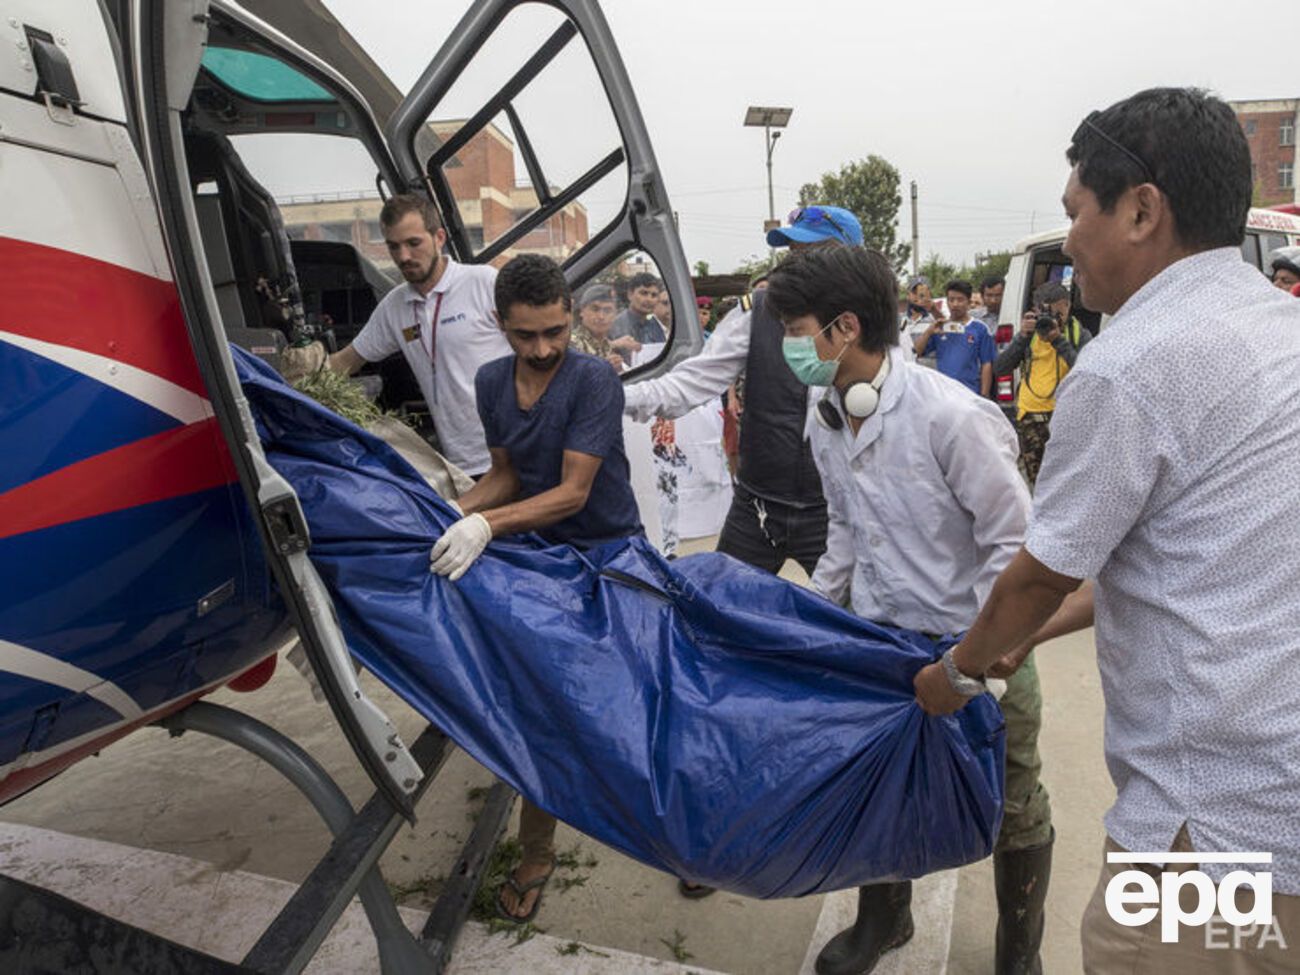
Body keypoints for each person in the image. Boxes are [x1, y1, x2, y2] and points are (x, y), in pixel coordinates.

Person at [914, 87, 1300, 974]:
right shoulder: (1282, 329)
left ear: (1140, 210)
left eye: (1075, 211)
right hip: (1279, 807)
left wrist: (957, 672)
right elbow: (1187, 561)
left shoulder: (1129, 362)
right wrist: (1025, 636)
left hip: (1213, 831)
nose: (1068, 246)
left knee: (1131, 953)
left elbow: (1040, 575)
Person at [767, 246, 1052, 975]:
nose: (786, 346)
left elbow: (1013, 543)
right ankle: (885, 920)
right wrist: (813, 611)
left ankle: (1020, 951)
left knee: (1013, 800)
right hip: (882, 643)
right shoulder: (825, 413)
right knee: (882, 790)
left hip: (975, 644)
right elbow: (843, 526)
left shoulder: (952, 417)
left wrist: (980, 659)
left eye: (795, 330)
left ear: (844, 328)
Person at [429, 254, 642, 922]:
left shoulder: (593, 380)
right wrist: (450, 512)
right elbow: (506, 476)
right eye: (527, 335)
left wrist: (484, 525)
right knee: (542, 704)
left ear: (570, 315)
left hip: (607, 553)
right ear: (501, 324)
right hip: (541, 554)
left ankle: (676, 834)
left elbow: (574, 492)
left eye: (555, 331)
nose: (544, 348)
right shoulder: (492, 381)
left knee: (632, 703)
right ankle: (538, 850)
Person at [624, 205, 863, 577]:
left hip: (835, 512)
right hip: (758, 506)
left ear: (850, 260)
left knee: (856, 607)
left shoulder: (871, 325)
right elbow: (692, 381)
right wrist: (620, 396)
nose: (798, 263)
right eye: (794, 252)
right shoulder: (758, 313)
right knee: (722, 599)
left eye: (812, 253)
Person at [327, 194, 507, 477]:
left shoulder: (484, 282)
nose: (403, 257)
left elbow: (536, 345)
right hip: (461, 466)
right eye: (393, 246)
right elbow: (344, 362)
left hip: (514, 451)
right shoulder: (395, 306)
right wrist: (282, 382)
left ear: (439, 237)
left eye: (413, 243)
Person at [993, 281, 1092, 488]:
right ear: (1036, 310)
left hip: (1065, 415)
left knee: (1067, 482)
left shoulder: (1078, 334)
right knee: (1038, 485)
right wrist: (1021, 338)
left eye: (1058, 314)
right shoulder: (1029, 335)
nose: (1052, 320)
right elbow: (1000, 368)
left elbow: (1085, 372)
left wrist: (1058, 341)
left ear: (1067, 306)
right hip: (1031, 418)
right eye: (1045, 313)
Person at [912, 279, 996, 396]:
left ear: (968, 301)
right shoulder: (939, 327)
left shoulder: (980, 329)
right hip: (944, 395)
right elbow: (916, 352)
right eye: (951, 300)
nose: (955, 304)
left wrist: (984, 395)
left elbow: (986, 364)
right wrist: (928, 332)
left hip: (970, 393)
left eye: (960, 300)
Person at [569, 283, 639, 371]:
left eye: (607, 310)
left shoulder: (607, 346)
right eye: (595, 309)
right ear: (582, 311)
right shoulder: (571, 344)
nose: (601, 316)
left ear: (615, 315)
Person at [611, 272, 666, 344]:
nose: (649, 299)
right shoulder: (615, 326)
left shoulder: (654, 323)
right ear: (630, 294)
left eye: (654, 295)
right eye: (644, 293)